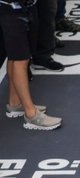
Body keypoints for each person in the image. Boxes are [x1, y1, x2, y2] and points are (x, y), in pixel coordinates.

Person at [0, 0, 62, 129]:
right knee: (21, 59)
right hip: (10, 8)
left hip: (23, 7)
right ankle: (31, 114)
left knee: (17, 56)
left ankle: (15, 103)